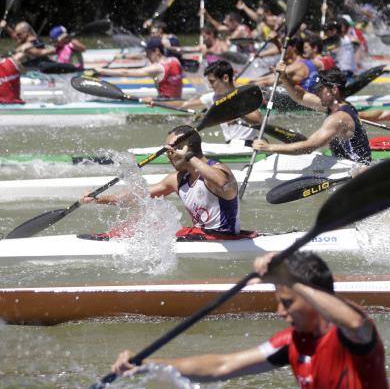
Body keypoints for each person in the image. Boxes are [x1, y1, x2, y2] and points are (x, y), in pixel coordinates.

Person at [111, 250, 390, 389]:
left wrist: (290, 279)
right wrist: (148, 365)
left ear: (313, 299)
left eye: (287, 302)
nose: (279, 312)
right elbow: (222, 366)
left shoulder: (353, 337)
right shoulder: (291, 342)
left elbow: (355, 322)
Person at [81, 126, 251, 240]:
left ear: (187, 148)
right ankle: (110, 238)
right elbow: (139, 196)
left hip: (222, 238)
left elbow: (223, 185)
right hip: (199, 236)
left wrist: (190, 157)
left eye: (170, 149)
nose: (167, 154)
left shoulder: (219, 171)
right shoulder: (178, 179)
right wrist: (100, 199)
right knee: (150, 221)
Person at [253, 67, 372, 165]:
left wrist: (270, 147)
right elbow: (300, 96)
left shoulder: (339, 118)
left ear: (334, 90)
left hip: (357, 171)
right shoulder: (334, 105)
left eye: (320, 90)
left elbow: (309, 147)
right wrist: (284, 77)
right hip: (347, 165)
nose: (317, 93)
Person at [151, 60, 262, 144]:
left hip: (249, 144)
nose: (210, 85)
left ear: (225, 78)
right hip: (230, 144)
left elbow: (258, 120)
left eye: (212, 82)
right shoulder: (212, 98)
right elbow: (182, 104)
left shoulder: (244, 94)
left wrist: (235, 112)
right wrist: (155, 101)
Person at [94, 38, 183, 99]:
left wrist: (101, 70)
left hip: (166, 104)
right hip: (178, 102)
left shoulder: (157, 68)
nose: (147, 56)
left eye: (148, 53)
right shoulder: (175, 60)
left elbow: (125, 73)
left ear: (157, 51)